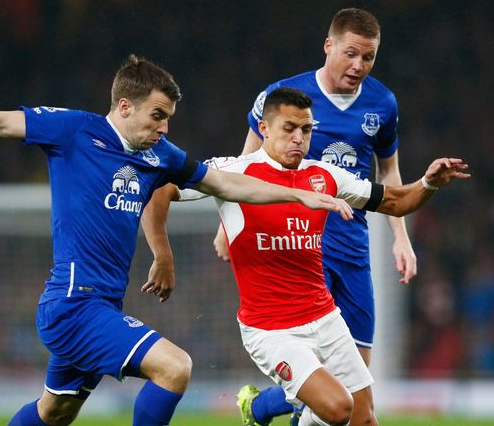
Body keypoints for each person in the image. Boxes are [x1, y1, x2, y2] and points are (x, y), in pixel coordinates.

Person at [0, 55, 351, 426]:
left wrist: (297, 196)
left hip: (101, 306)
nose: (164, 127)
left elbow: (227, 185)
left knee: (55, 412)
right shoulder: (73, 131)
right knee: (175, 367)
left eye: (168, 118)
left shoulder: (159, 155)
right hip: (72, 305)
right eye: (157, 115)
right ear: (124, 107)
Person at [145, 87, 469, 426]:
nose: (299, 138)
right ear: (265, 128)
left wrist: (428, 183)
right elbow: (163, 187)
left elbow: (396, 201)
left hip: (325, 318)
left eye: (307, 129)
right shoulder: (232, 172)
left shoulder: (325, 175)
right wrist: (163, 256)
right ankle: (265, 408)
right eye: (289, 128)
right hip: (272, 330)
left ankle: (265, 410)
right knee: (338, 408)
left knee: (364, 420)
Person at [209, 8, 414, 425]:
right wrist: (225, 223)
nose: (359, 65)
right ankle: (265, 405)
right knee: (334, 396)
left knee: (356, 386)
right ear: (329, 46)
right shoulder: (285, 95)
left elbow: (388, 174)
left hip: (351, 240)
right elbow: (247, 161)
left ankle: (261, 405)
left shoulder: (382, 102)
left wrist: (401, 236)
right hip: (298, 240)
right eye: (351, 53)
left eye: (369, 57)